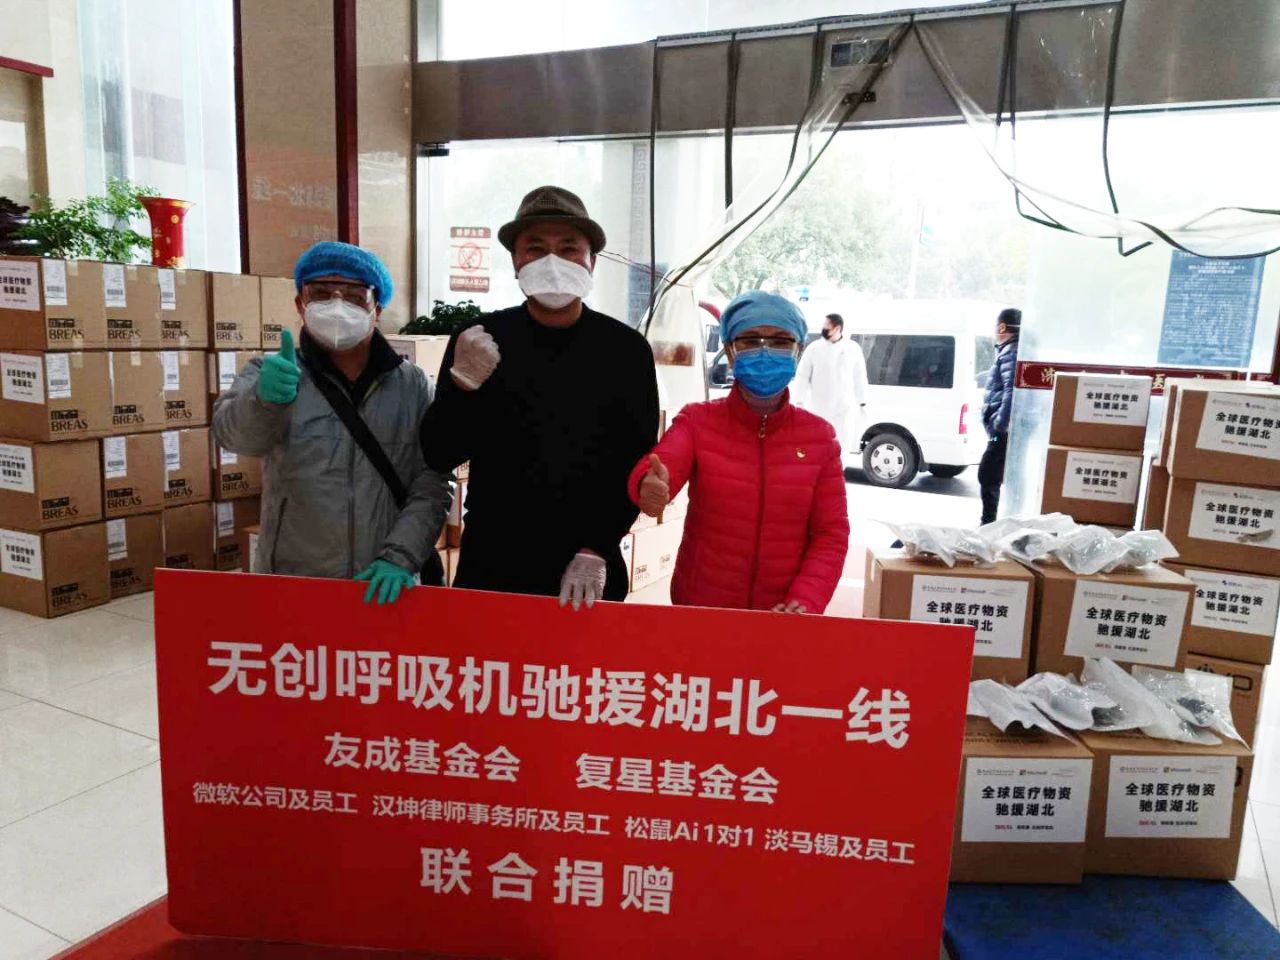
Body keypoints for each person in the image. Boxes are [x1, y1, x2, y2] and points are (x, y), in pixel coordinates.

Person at [420, 186, 660, 610]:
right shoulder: (480, 340)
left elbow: (636, 463)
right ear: (516, 261)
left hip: (588, 566)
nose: (552, 261)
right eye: (535, 248)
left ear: (591, 261)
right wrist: (462, 386)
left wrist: (598, 546)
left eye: (569, 248)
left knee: (582, 658)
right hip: (493, 563)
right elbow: (439, 453)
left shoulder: (625, 350)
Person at [212, 241, 451, 604]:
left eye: (355, 296)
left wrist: (401, 556)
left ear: (377, 309)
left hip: (384, 582)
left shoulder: (413, 386)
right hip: (295, 578)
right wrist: (262, 401)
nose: (338, 306)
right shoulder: (272, 372)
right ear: (301, 304)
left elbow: (433, 479)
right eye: (322, 294)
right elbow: (236, 439)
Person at [628, 291, 849, 614]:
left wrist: (805, 600)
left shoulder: (819, 438)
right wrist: (648, 485)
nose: (765, 351)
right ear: (730, 352)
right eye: (750, 340)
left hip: (783, 617)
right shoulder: (698, 421)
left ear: (798, 352)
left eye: (780, 341)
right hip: (702, 610)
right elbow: (664, 464)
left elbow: (831, 534)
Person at [793, 312, 868, 455]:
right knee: (817, 446)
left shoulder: (852, 349)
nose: (823, 328)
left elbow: (859, 376)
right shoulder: (814, 348)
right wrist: (799, 401)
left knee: (841, 447)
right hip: (818, 408)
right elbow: (802, 376)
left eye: (827, 326)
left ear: (837, 328)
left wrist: (862, 401)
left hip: (843, 409)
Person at [979, 307, 1021, 525]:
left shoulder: (1010, 352)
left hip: (1002, 431)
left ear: (1002, 327)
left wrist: (999, 425)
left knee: (987, 475)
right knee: (994, 476)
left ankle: (988, 525)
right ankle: (990, 524)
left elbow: (1010, 392)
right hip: (1005, 430)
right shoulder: (1011, 351)